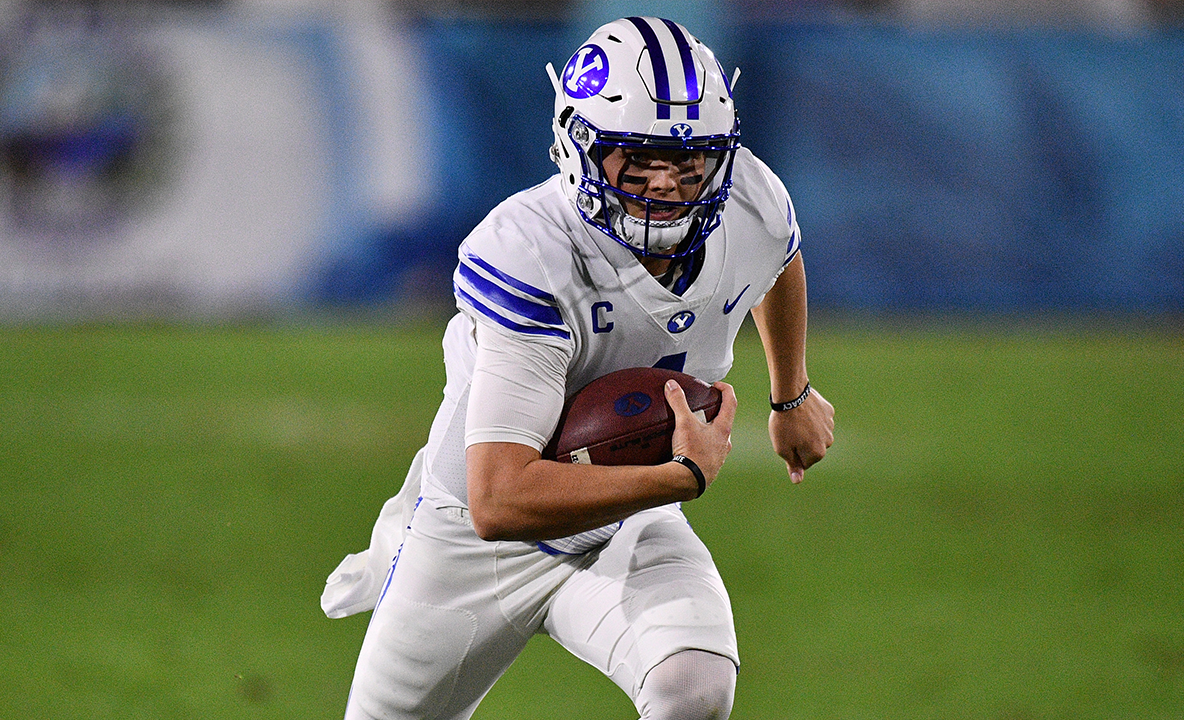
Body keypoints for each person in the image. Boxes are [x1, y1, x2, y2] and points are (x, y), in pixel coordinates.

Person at [322, 16, 835, 720]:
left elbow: (778, 258)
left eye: (690, 161)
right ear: (578, 145)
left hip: (622, 520)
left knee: (695, 689)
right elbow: (498, 500)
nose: (668, 184)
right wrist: (679, 476)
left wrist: (792, 393)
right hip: (471, 544)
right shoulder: (530, 249)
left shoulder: (749, 198)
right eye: (638, 157)